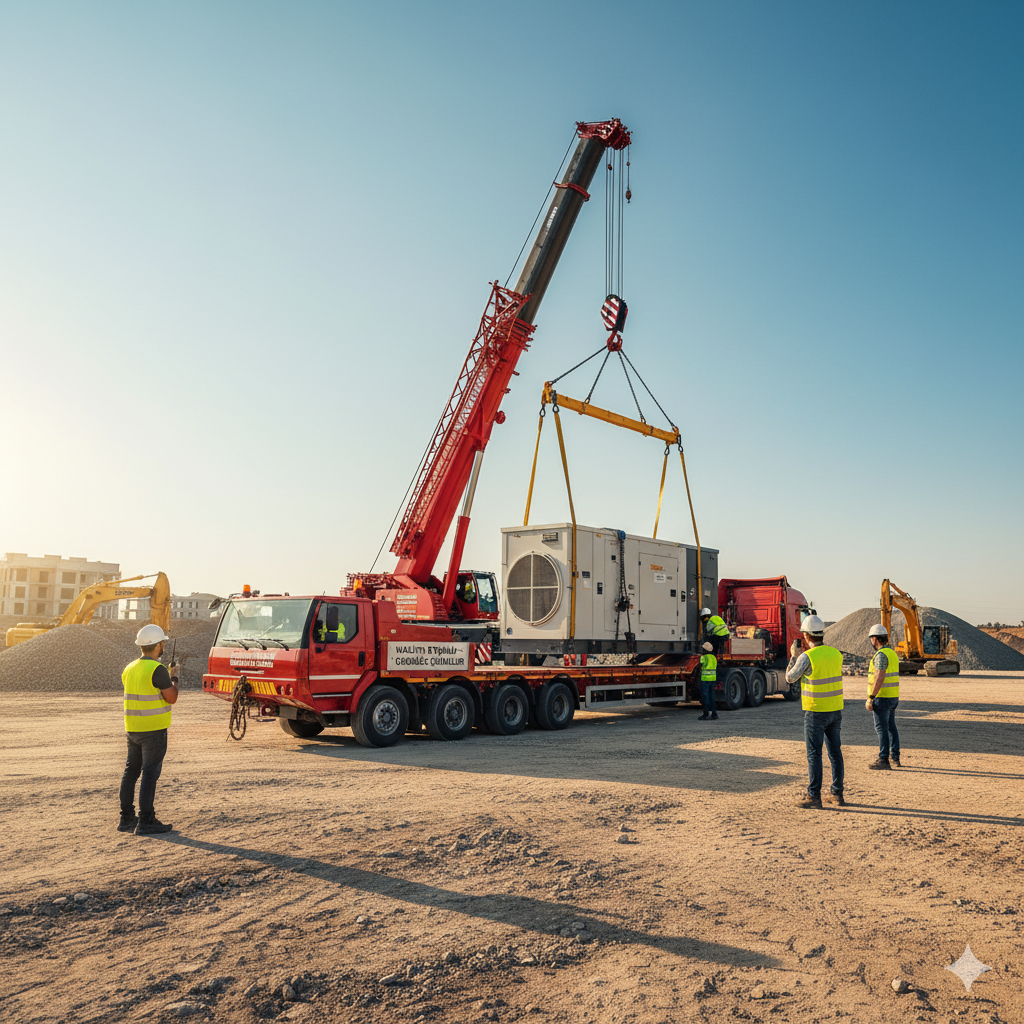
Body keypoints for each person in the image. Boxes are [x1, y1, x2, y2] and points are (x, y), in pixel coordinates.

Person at [119, 624, 178, 835]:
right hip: (153, 730)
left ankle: (126, 819)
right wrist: (173, 677)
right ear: (159, 645)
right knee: (149, 775)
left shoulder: (130, 668)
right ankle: (146, 821)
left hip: (133, 728)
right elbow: (171, 697)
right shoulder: (158, 669)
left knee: (131, 772)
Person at [786, 615, 845, 809]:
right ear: (821, 634)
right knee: (835, 753)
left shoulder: (806, 657)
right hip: (835, 710)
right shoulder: (836, 654)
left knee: (814, 755)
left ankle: (814, 796)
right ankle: (837, 794)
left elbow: (790, 678)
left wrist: (794, 656)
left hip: (816, 711)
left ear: (805, 635)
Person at [865, 623, 901, 769]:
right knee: (891, 727)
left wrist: (871, 697)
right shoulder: (892, 653)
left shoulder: (880, 655)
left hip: (882, 697)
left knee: (882, 728)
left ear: (875, 639)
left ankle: (883, 759)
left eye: (871, 639)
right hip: (893, 696)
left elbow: (880, 676)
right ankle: (895, 757)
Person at [697, 641, 719, 721]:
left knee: (705, 697)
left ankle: (706, 714)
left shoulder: (704, 657)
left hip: (705, 679)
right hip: (712, 679)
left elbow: (700, 666)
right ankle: (714, 714)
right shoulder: (713, 657)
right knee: (711, 697)